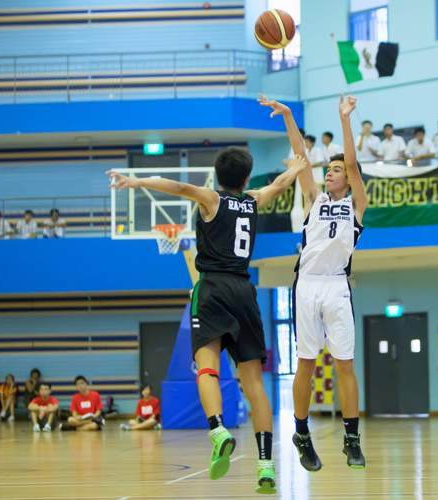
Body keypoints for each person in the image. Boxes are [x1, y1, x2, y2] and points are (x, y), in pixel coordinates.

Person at [108, 121, 309, 494]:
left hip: (213, 289)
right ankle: (266, 466)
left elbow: (180, 188)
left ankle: (217, 429)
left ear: (217, 176)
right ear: (246, 176)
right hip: (245, 292)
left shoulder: (211, 199)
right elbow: (280, 185)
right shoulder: (252, 200)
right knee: (254, 385)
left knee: (207, 368)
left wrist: (136, 182)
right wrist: (297, 167)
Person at [262, 94, 368, 472]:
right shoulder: (312, 197)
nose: (331, 172)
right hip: (307, 284)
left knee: (345, 364)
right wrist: (289, 116)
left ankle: (352, 439)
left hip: (338, 285)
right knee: (305, 364)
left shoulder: (356, 204)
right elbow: (299, 152)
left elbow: (354, 164)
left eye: (336, 170)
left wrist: (345, 119)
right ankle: (302, 433)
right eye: (330, 170)